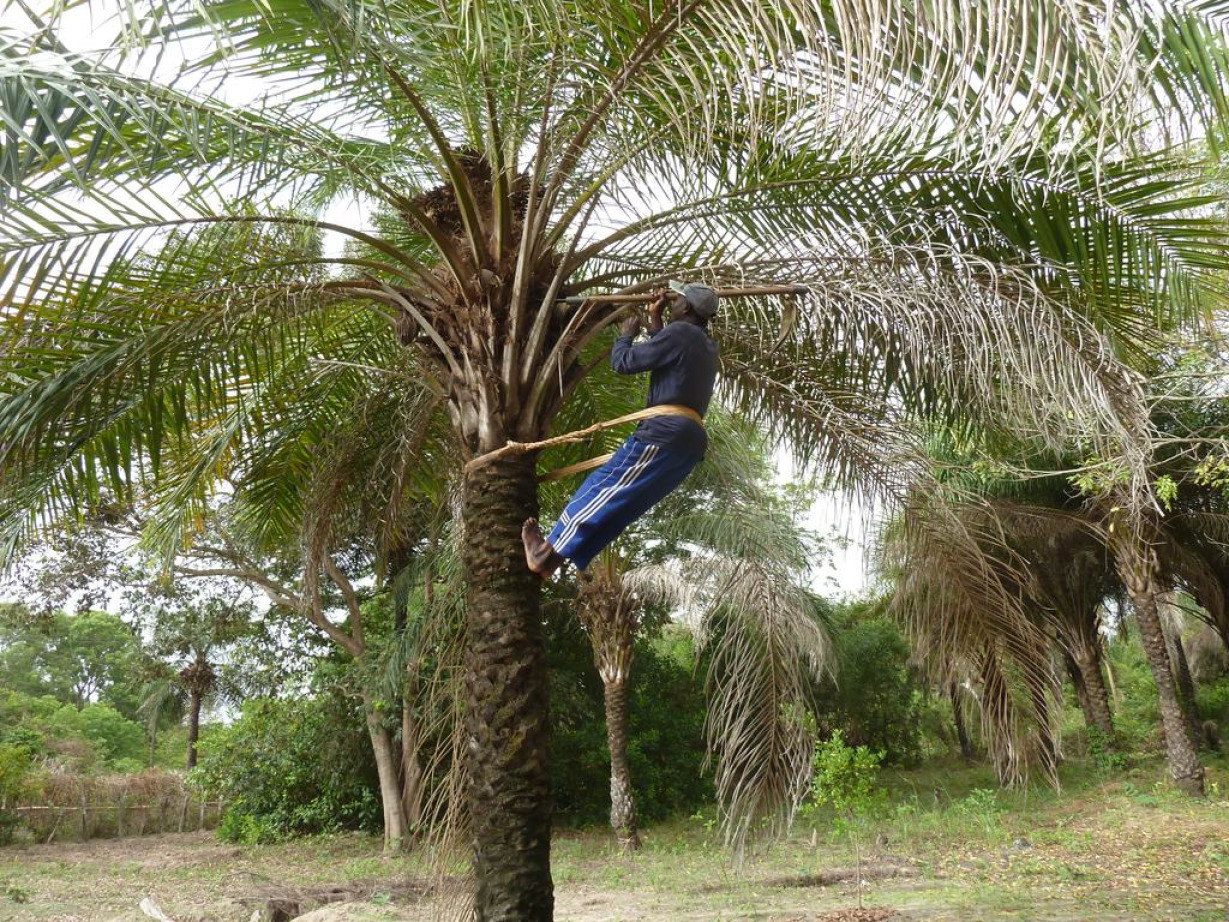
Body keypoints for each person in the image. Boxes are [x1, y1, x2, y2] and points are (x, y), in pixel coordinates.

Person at [522, 280, 720, 576]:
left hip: (663, 433)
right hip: (688, 446)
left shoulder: (680, 332)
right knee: (622, 504)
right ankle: (552, 561)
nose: (673, 302)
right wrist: (655, 319)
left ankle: (542, 554)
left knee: (604, 485)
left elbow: (624, 363)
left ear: (686, 307)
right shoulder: (706, 345)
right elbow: (667, 355)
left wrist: (626, 336)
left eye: (677, 298)